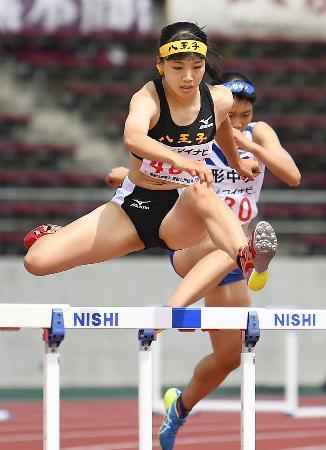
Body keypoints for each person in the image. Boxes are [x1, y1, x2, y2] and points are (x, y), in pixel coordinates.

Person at [106, 71, 301, 450]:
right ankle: (169, 312)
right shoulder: (198, 134)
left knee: (229, 357)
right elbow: (155, 166)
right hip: (193, 248)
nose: (239, 121)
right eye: (234, 116)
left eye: (245, 114)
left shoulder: (259, 133)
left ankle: (178, 407)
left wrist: (248, 145)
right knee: (227, 244)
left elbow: (292, 175)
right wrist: (123, 178)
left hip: (233, 258)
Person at [23, 22, 276, 289]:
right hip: (132, 209)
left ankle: (245, 257)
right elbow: (133, 138)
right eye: (178, 68)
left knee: (200, 191)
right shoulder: (147, 98)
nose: (188, 77)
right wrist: (182, 161)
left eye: (197, 67)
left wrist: (236, 162)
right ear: (161, 65)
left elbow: (221, 121)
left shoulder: (221, 98)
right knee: (36, 262)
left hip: (180, 213)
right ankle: (55, 235)